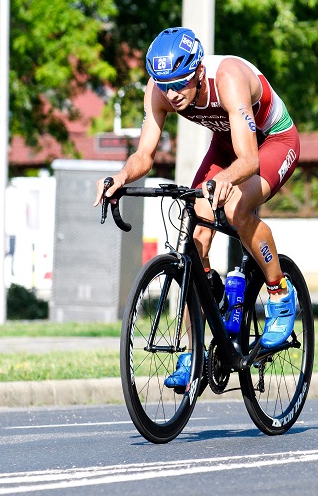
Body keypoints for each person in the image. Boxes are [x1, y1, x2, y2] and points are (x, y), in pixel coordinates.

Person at [94, 27, 301, 389]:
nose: (172, 94)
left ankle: (280, 293)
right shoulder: (159, 90)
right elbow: (144, 154)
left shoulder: (229, 78)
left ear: (199, 72)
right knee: (195, 230)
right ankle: (197, 346)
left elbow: (250, 158)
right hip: (226, 144)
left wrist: (226, 182)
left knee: (237, 210)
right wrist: (120, 177)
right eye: (164, 84)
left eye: (180, 84)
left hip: (273, 142)